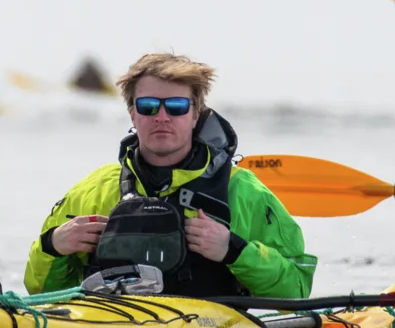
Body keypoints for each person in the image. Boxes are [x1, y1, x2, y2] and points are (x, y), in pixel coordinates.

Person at [24, 52, 316, 299]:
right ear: (132, 113)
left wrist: (235, 250)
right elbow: (40, 291)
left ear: (194, 114)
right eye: (148, 106)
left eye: (176, 107)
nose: (161, 117)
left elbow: (296, 289)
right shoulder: (95, 191)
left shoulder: (241, 191)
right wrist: (53, 245)